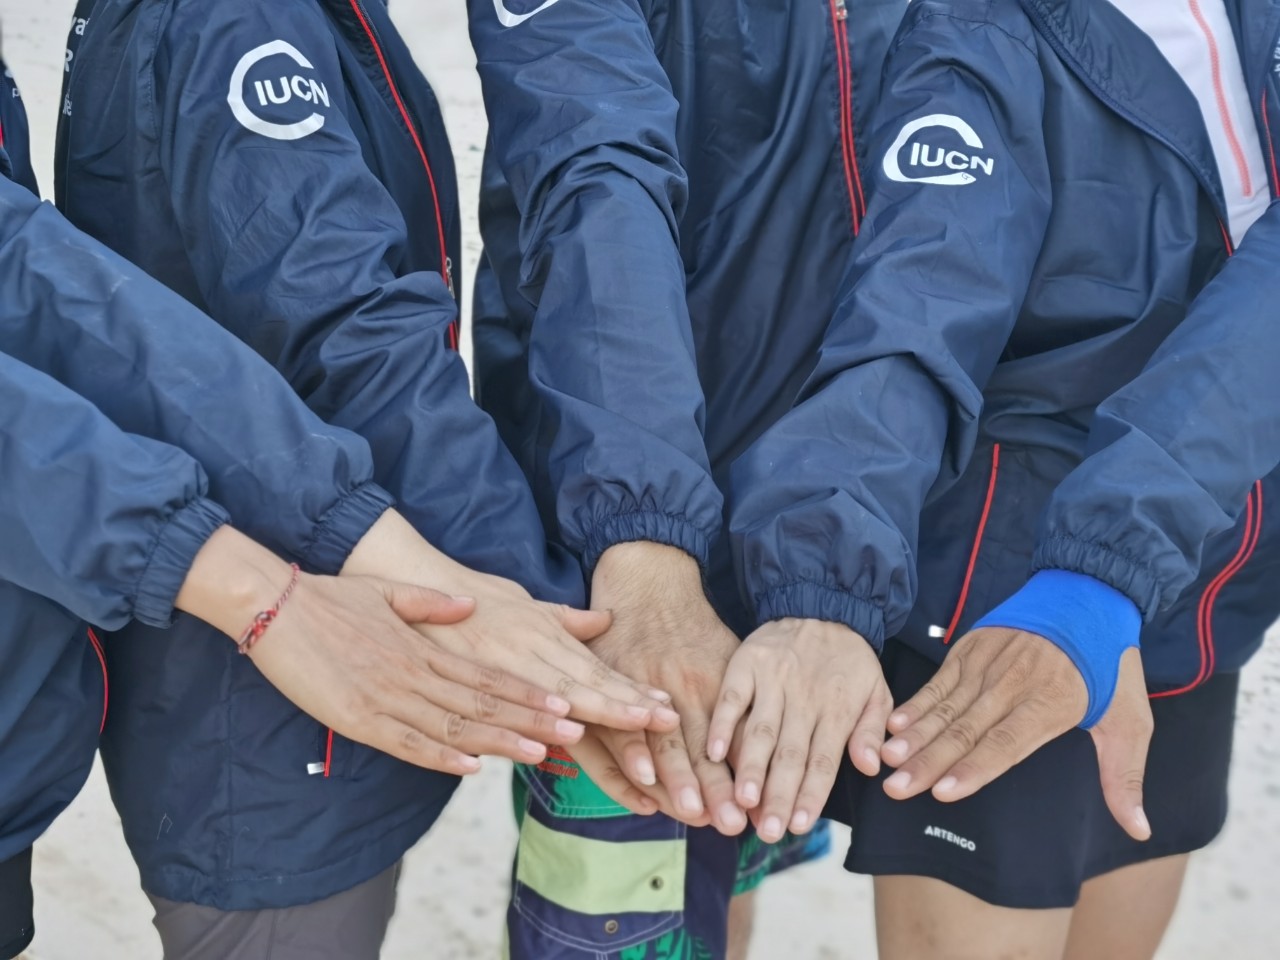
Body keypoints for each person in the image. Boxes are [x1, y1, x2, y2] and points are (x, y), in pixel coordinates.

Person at [0, 52, 667, 955]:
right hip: (261, 720)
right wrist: (526, 598)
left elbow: (52, 292)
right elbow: (345, 329)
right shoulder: (231, 27)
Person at [725, 0, 1280, 956]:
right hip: (1025, 608)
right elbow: (916, 304)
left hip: (1200, 583)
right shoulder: (982, 32)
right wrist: (822, 582)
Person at [465, 0, 906, 955]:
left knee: (734, 853)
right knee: (624, 908)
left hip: (834, 519)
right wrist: (645, 545)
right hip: (616, 530)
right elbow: (592, 169)